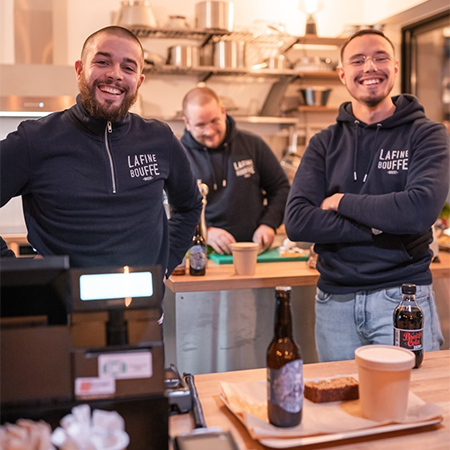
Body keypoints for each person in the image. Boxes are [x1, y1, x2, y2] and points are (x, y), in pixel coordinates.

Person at [285, 29, 449, 362]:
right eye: (358, 60)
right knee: (341, 405)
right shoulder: (324, 142)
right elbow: (298, 222)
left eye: (380, 57)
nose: (370, 66)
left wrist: (342, 202)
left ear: (396, 66)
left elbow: (418, 212)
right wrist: (380, 224)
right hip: (334, 303)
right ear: (343, 74)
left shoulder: (428, 134)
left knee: (413, 403)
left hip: (402, 298)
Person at [0, 26, 202, 279]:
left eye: (128, 67)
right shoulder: (36, 140)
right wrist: (15, 270)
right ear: (79, 70)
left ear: (138, 81)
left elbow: (190, 205)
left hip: (143, 310)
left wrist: (165, 262)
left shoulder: (160, 139)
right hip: (64, 313)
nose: (115, 75)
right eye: (103, 61)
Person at [181, 87, 290, 254]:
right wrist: (205, 231)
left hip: (254, 251)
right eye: (200, 125)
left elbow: (281, 189)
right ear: (187, 123)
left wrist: (268, 224)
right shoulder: (178, 155)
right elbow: (170, 208)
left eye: (214, 121)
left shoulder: (253, 144)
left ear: (223, 112)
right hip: (202, 254)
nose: (209, 131)